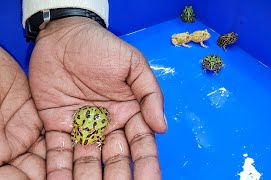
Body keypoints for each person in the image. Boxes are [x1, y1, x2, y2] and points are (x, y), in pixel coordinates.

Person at [0, 0, 167, 179]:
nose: (85, 141)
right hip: (88, 120)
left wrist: (67, 20)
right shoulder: (84, 134)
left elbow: (95, 131)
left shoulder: (90, 133)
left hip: (92, 118)